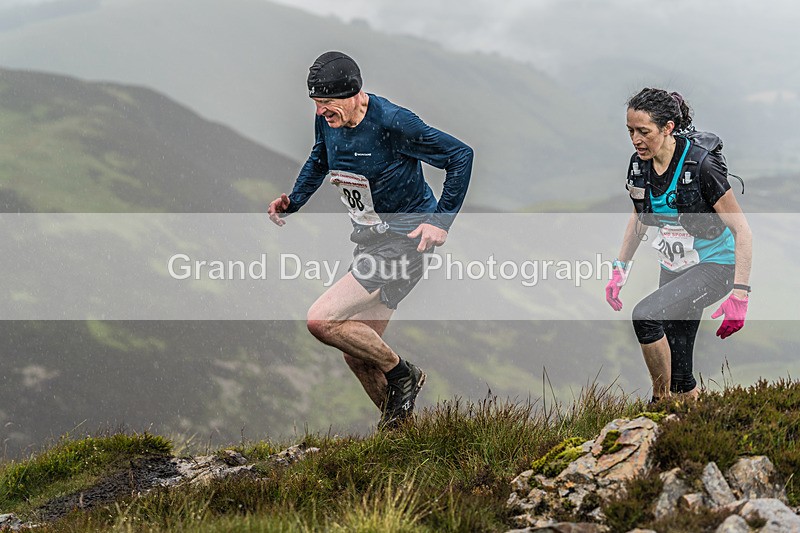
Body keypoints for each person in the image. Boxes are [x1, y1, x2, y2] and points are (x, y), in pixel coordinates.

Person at [267, 51, 473, 428]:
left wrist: (440, 222)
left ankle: (402, 373)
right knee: (358, 352)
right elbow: (320, 158)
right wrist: (293, 201)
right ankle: (402, 436)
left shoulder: (394, 122)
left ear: (354, 94)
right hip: (371, 241)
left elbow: (460, 155)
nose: (321, 113)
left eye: (327, 104)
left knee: (322, 320)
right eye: (315, 104)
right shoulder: (328, 121)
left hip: (408, 240)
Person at [605, 87, 752, 402]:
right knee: (681, 379)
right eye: (630, 131)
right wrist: (620, 269)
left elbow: (742, 231)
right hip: (674, 267)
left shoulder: (700, 166)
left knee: (645, 316)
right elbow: (638, 219)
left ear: (668, 127)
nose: (635, 139)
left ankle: (658, 405)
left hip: (715, 266)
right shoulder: (639, 165)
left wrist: (740, 294)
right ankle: (687, 421)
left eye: (644, 132)